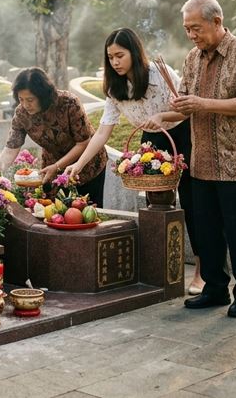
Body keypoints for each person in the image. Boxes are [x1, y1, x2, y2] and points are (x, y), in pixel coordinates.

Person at [64, 28, 203, 294]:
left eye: (120, 55)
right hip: (151, 142)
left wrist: (163, 117)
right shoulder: (115, 89)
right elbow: (103, 131)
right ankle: (161, 268)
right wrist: (78, 164)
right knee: (157, 205)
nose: (115, 62)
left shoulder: (158, 75)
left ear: (134, 53)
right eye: (111, 57)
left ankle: (200, 271)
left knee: (192, 203)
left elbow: (183, 112)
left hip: (181, 135)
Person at [154, 0, 236, 317]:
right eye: (187, 30)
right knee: (206, 231)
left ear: (217, 21)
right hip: (201, 162)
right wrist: (166, 115)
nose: (192, 35)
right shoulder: (192, 58)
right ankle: (215, 288)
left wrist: (201, 103)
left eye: (196, 28)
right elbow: (188, 105)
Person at [0, 67, 107, 206]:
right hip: (52, 168)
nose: (25, 105)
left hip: (87, 163)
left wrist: (57, 166)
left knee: (86, 212)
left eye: (30, 100)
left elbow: (83, 143)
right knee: (53, 212)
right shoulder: (21, 113)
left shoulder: (68, 103)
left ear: (43, 95)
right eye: (21, 99)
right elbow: (11, 147)